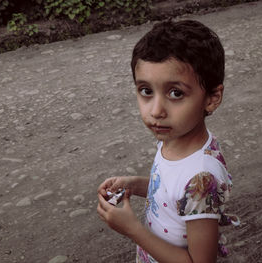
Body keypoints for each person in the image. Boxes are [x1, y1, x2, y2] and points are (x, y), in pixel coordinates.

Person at [97, 19, 239, 263]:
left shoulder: (201, 179)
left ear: (212, 98)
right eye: (146, 91)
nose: (156, 111)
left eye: (176, 93)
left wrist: (134, 230)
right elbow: (170, 192)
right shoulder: (172, 138)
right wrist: (133, 185)